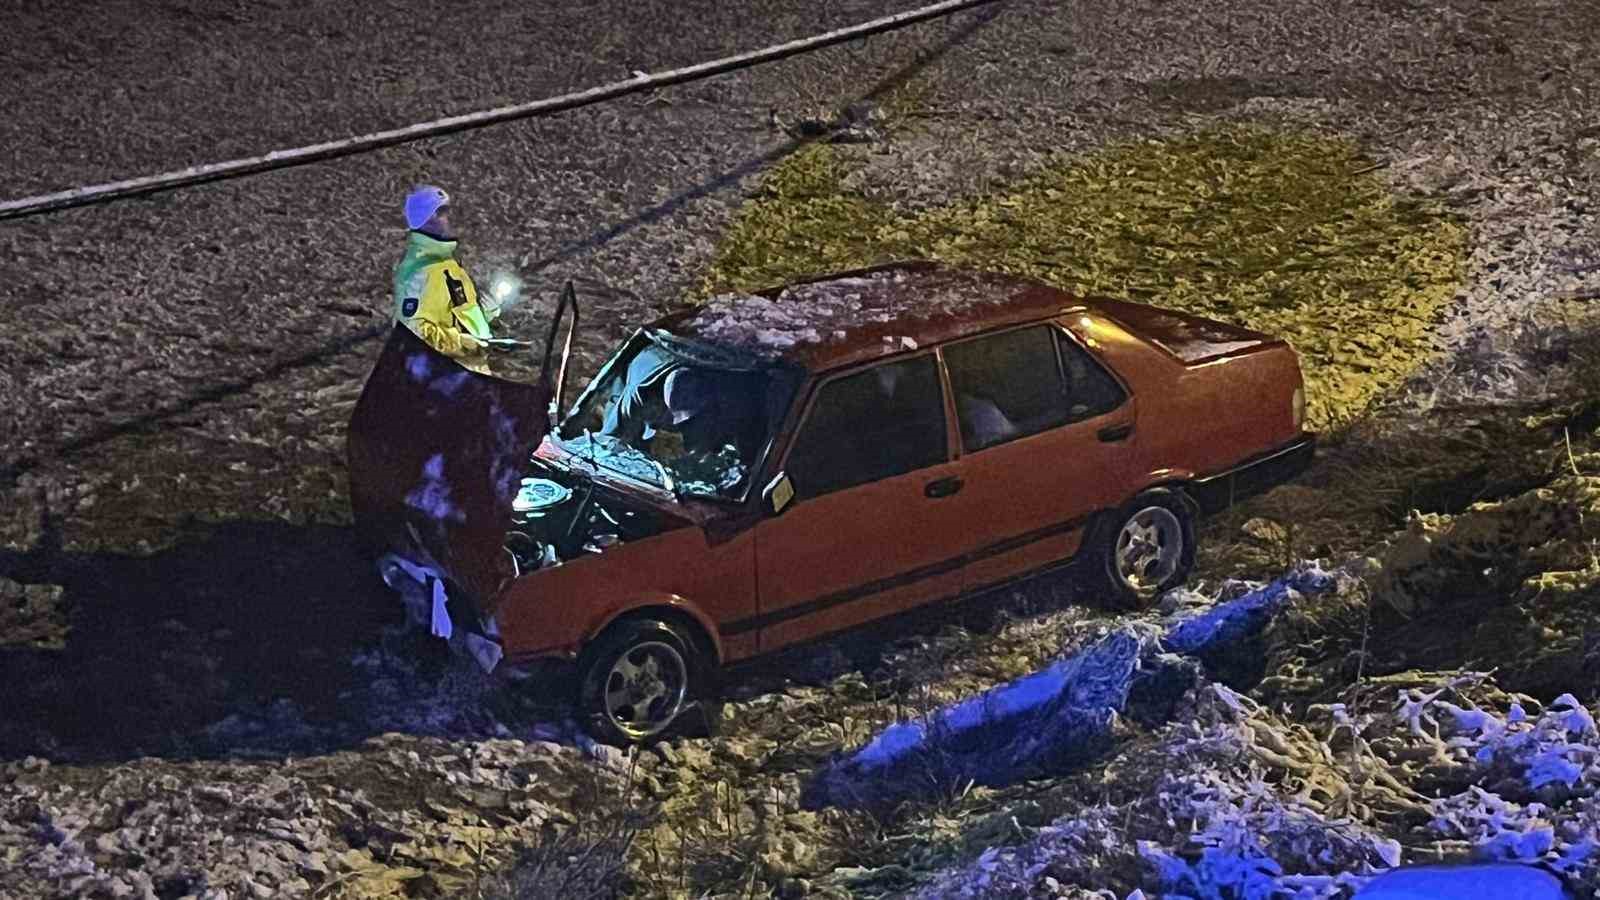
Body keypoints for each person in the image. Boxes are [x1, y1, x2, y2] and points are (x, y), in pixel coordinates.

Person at [392, 185, 502, 375]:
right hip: (448, 381)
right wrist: (462, 343)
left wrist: (484, 314)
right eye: (441, 211)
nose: (448, 218)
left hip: (470, 374)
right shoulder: (420, 271)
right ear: (425, 219)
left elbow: (453, 314)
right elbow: (412, 334)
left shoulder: (446, 262)